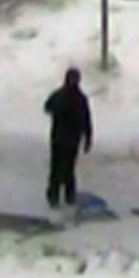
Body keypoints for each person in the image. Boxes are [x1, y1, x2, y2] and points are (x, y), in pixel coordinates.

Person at [44, 67, 93, 208]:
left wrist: (88, 138)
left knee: (68, 169)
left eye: (75, 79)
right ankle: (56, 197)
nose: (73, 81)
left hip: (70, 139)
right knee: (57, 168)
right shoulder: (61, 96)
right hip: (60, 138)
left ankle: (66, 197)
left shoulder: (79, 98)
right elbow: (47, 107)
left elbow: (86, 120)